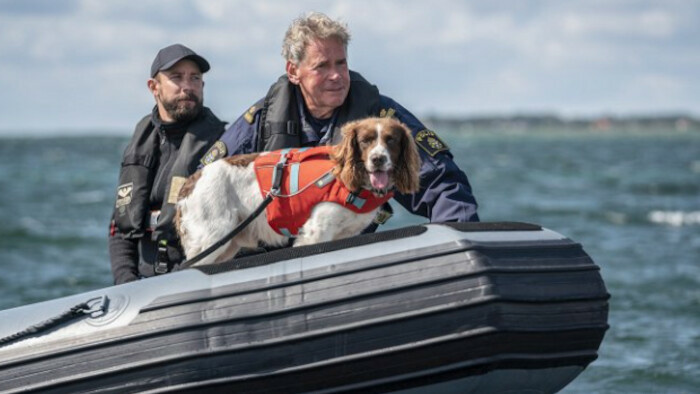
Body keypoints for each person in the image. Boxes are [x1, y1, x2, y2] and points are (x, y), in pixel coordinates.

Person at [217, 12, 479, 229]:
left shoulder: (381, 119)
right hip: (271, 257)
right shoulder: (261, 122)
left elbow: (441, 185)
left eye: (341, 64)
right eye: (322, 66)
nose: (336, 76)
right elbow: (211, 185)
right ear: (293, 71)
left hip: (348, 255)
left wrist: (461, 244)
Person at [108, 44, 226, 284]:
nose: (187, 87)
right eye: (176, 77)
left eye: (195, 78)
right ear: (154, 87)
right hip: (144, 282)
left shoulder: (223, 144)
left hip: (200, 279)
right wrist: (126, 282)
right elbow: (119, 227)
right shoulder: (140, 144)